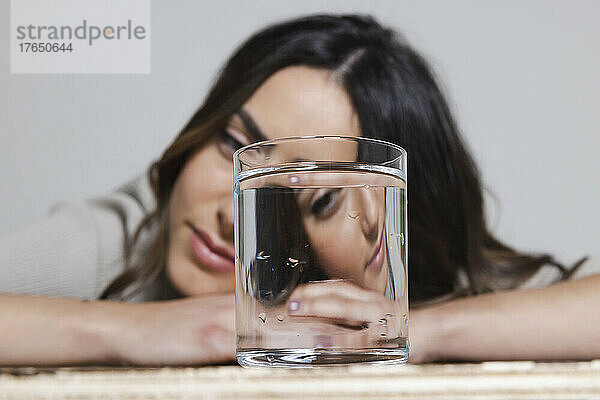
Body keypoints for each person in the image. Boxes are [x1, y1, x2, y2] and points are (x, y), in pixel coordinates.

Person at [0, 13, 597, 366]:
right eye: (234, 146)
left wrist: (422, 329)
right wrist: (125, 330)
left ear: (390, 227)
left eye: (316, 196)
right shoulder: (131, 237)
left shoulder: (418, 285)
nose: (238, 215)